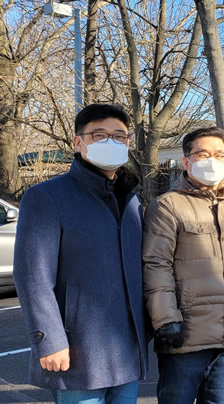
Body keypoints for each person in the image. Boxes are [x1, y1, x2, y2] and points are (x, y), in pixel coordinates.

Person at [13, 104, 148, 403]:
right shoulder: (46, 197)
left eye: (119, 136)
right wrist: (48, 339)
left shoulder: (130, 200)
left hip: (126, 349)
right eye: (99, 135)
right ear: (78, 142)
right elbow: (33, 277)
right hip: (76, 351)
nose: (111, 142)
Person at [142, 127, 224, 403]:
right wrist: (166, 320)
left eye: (219, 155)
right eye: (203, 154)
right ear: (186, 161)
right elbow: (156, 264)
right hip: (185, 337)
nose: (212, 161)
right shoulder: (167, 206)